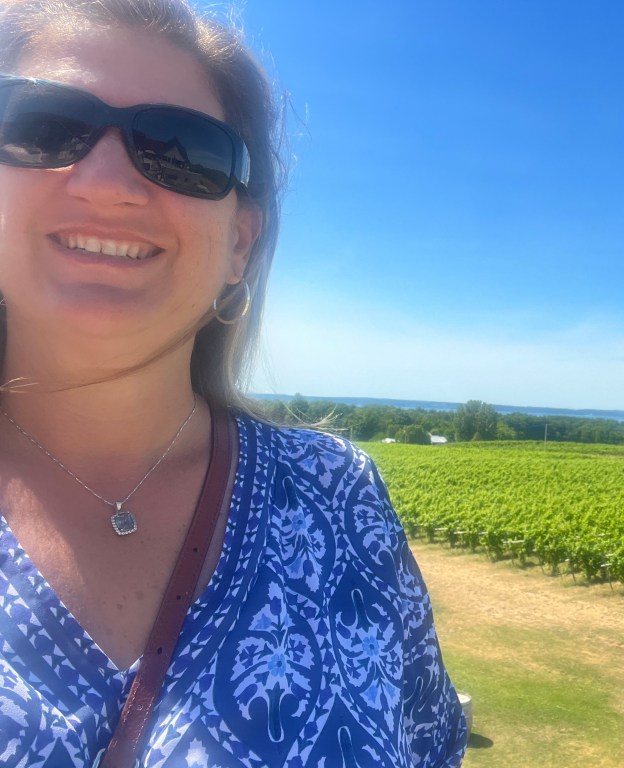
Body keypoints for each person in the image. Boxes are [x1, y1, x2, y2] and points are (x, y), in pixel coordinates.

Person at [0, 1, 467, 765]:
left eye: (182, 150)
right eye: (44, 126)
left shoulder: (339, 499)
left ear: (240, 243)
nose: (108, 183)